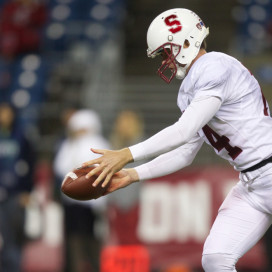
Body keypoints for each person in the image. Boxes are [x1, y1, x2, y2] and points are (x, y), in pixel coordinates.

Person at [81, 8, 272, 272]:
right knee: (216, 258)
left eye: (166, 52)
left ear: (186, 42)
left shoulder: (214, 66)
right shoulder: (190, 89)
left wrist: (127, 153)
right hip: (251, 184)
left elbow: (182, 130)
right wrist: (134, 174)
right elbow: (185, 151)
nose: (165, 60)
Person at [53, 109, 111, 272]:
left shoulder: (99, 144)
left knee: (93, 239)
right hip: (73, 202)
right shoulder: (70, 144)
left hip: (94, 203)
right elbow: (60, 167)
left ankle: (94, 266)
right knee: (74, 239)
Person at [0, 102, 36, 272]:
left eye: (6, 112)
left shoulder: (22, 136)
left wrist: (27, 191)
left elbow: (30, 165)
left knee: (13, 239)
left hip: (15, 195)